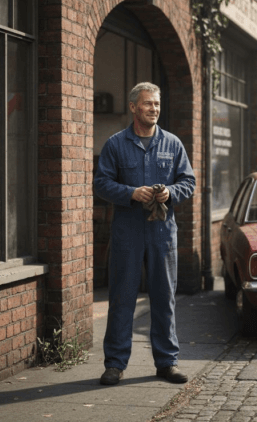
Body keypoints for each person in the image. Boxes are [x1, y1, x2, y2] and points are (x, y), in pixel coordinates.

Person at [93, 82, 196, 385]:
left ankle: (167, 363)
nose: (154, 109)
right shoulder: (116, 144)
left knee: (164, 298)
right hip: (127, 230)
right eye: (148, 104)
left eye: (157, 104)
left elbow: (188, 182)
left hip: (162, 232)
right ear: (134, 107)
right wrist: (130, 193)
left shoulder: (172, 144)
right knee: (122, 296)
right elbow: (100, 183)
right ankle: (115, 363)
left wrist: (171, 192)